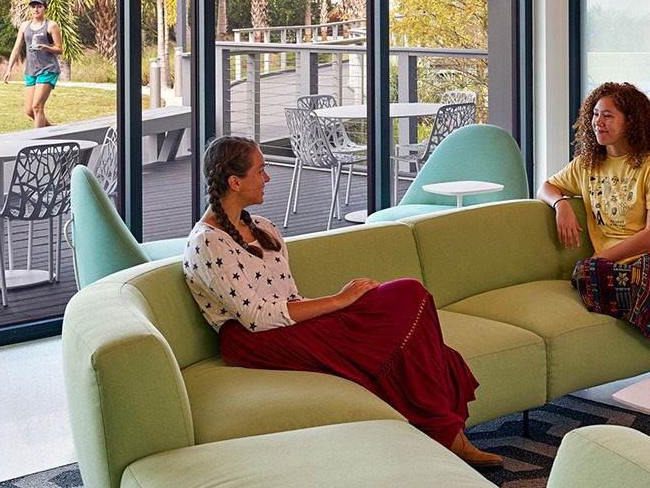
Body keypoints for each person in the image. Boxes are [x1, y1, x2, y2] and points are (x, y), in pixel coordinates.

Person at [183, 135, 500, 470]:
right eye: (261, 171)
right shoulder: (207, 243)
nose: (268, 178)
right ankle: (446, 433)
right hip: (255, 340)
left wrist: (343, 304)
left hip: (292, 322)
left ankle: (441, 431)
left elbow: (289, 297)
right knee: (406, 319)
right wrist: (338, 301)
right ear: (235, 181)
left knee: (410, 293)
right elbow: (256, 318)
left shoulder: (264, 227)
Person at [539, 81, 650, 368]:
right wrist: (561, 206)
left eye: (608, 115)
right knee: (584, 275)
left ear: (631, 121)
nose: (598, 123)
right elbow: (545, 186)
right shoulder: (586, 164)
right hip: (618, 269)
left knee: (616, 274)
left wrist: (599, 258)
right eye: (595, 114)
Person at [1, 0, 62, 128]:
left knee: (37, 107)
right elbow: (16, 48)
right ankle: (52, 130)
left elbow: (59, 49)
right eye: (33, 7)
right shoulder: (24, 26)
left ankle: (38, 141)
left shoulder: (51, 26)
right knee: (30, 111)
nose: (36, 10)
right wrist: (9, 69)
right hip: (31, 70)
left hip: (48, 69)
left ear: (45, 8)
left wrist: (46, 47)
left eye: (39, 6)